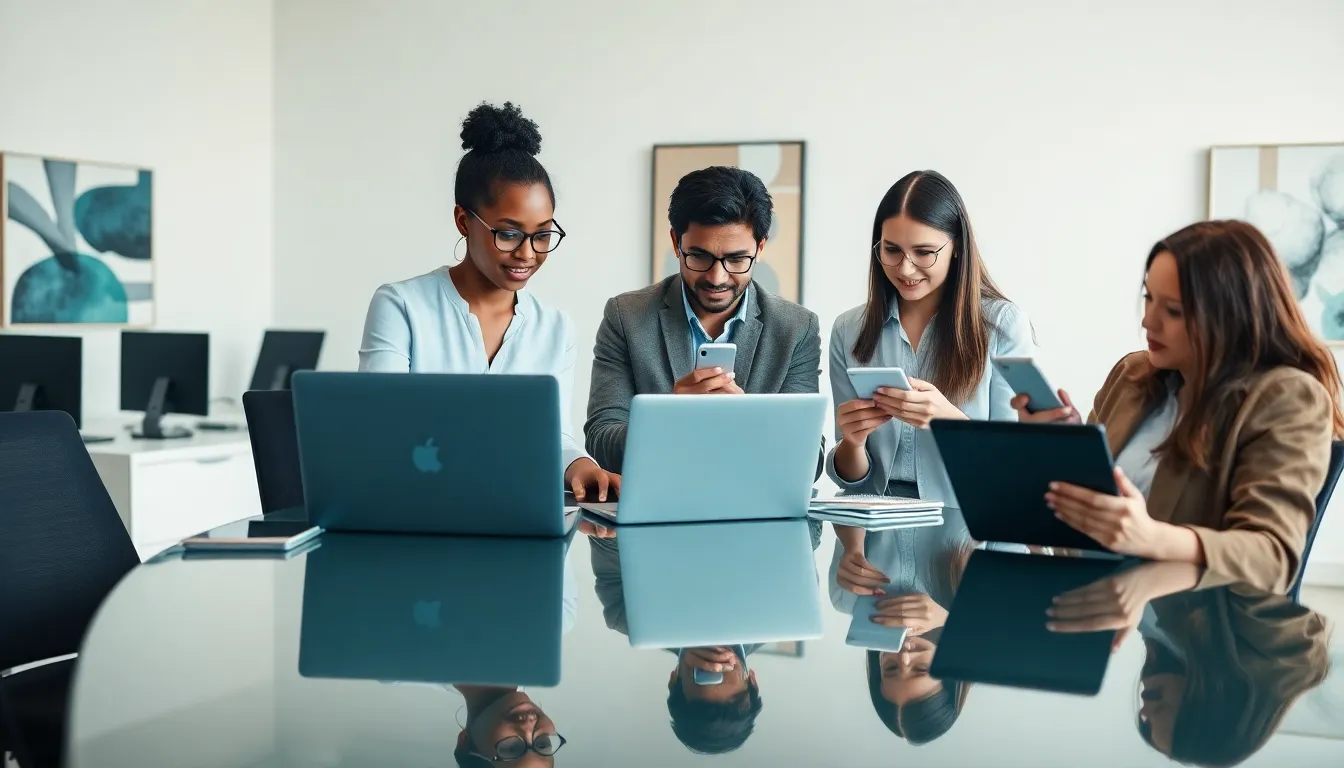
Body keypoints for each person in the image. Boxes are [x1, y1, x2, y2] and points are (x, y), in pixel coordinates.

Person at [1016, 220, 1344, 593]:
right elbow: (1098, 512)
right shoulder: (1133, 376)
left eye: (1172, 310)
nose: (1147, 320)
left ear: (1230, 315)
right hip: (1111, 609)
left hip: (1217, 635)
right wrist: (1060, 446)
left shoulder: (1288, 399)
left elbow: (1272, 557)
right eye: (1148, 298)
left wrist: (1150, 537)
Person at [357, 101, 616, 501]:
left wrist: (581, 466)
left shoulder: (555, 326)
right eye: (509, 234)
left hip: (515, 514)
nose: (528, 254)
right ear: (464, 221)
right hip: (418, 508)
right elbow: (379, 427)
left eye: (543, 235)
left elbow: (556, 434)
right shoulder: (401, 306)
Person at [585, 166, 822, 473]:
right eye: (699, 256)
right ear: (676, 243)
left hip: (755, 508)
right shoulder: (626, 317)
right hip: (660, 502)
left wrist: (750, 420)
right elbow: (602, 441)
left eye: (737, 259)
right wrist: (668, 419)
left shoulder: (796, 329)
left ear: (760, 247)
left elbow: (810, 461)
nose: (717, 277)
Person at [827, 170, 1033, 501]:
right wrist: (852, 442)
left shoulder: (1002, 325)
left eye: (924, 252)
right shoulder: (849, 330)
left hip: (967, 523)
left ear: (957, 248)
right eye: (891, 250)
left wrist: (950, 421)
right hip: (876, 530)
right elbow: (853, 483)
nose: (905, 269)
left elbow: (1015, 465)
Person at [452, 686, 565, 766]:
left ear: (464, 741)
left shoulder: (439, 661)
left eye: (512, 748)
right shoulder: (535, 665)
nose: (528, 726)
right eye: (542, 743)